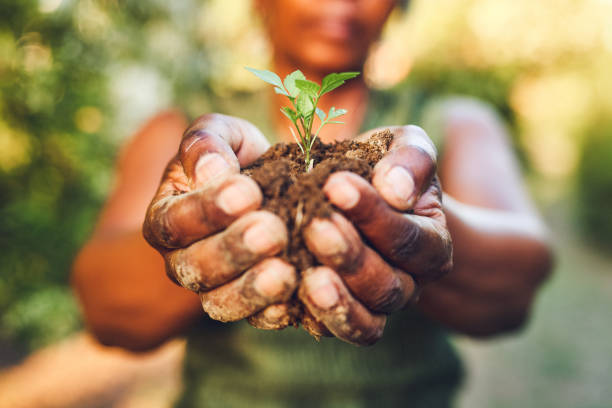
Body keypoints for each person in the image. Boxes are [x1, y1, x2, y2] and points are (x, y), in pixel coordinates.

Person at [72, 0, 553, 406]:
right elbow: (107, 311)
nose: (340, 2)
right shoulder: (183, 128)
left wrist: (408, 220)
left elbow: (516, 288)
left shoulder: (451, 123)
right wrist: (206, 225)